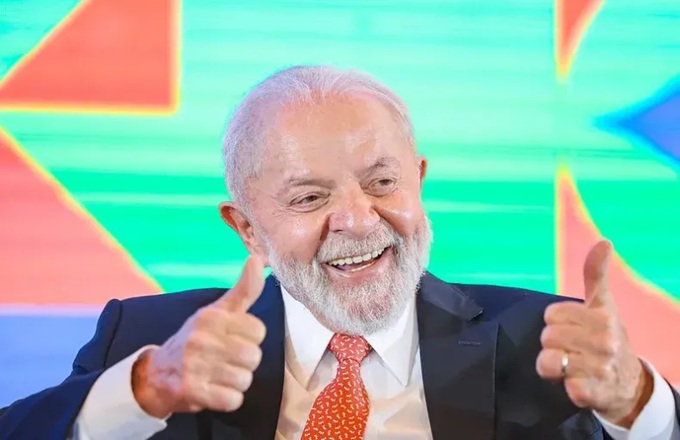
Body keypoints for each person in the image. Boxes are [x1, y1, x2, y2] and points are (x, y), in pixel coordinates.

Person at [0, 65, 678, 440]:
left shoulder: (545, 342)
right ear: (247, 229)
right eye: (309, 197)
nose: (357, 219)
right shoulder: (149, 342)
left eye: (382, 183)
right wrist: (147, 390)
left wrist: (639, 404)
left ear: (418, 182)